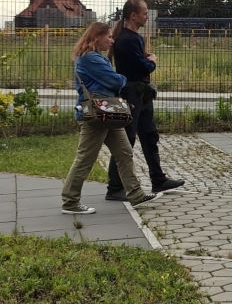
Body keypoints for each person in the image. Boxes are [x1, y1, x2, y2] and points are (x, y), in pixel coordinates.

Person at [62, 22, 162, 214]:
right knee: (85, 159)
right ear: (96, 37)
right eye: (108, 36)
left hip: (108, 114)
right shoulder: (90, 58)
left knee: (124, 152)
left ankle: (135, 194)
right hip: (96, 115)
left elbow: (113, 81)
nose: (112, 40)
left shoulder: (96, 57)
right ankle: (70, 201)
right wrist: (123, 79)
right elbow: (115, 80)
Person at [104, 0, 184, 202]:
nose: (147, 16)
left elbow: (135, 61)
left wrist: (144, 58)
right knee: (127, 140)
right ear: (133, 15)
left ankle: (158, 179)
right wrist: (152, 61)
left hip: (142, 93)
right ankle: (114, 187)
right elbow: (141, 67)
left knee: (149, 135)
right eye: (145, 13)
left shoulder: (131, 37)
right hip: (132, 93)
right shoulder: (128, 39)